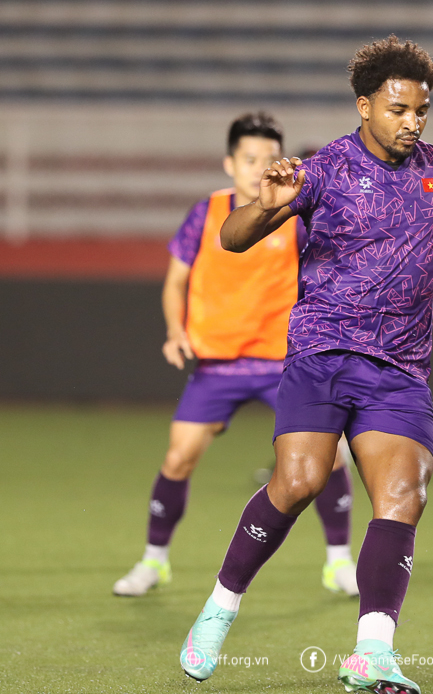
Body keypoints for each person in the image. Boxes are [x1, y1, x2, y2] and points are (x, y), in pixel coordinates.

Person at [177, 36, 433, 693]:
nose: (412, 122)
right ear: (365, 106)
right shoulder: (320, 170)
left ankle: (372, 653)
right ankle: (220, 605)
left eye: (422, 111)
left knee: (404, 496)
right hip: (323, 352)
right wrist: (267, 203)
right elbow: (231, 241)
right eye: (399, 109)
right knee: (298, 482)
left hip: (399, 367)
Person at [113, 112, 358, 599]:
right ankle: (153, 562)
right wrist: (173, 329)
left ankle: (338, 563)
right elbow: (177, 280)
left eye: (268, 158)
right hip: (218, 364)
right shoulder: (206, 213)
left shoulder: (294, 214)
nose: (257, 167)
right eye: (248, 158)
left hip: (283, 362)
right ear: (229, 163)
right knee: (179, 457)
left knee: (329, 460)